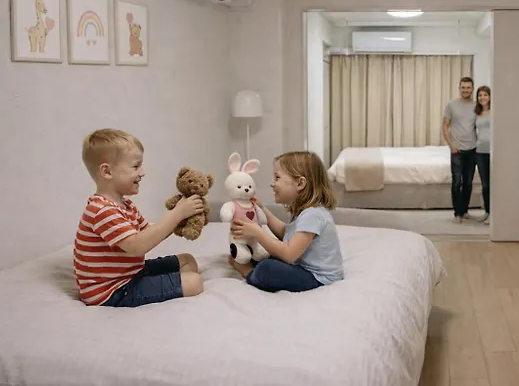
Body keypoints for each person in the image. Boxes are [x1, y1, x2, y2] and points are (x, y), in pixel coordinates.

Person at [74, 128, 205, 307]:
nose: (142, 172)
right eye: (135, 167)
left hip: (131, 272)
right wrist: (177, 213)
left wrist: (181, 220)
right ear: (107, 172)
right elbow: (138, 246)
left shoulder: (125, 205)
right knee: (194, 282)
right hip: (113, 290)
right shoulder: (101, 210)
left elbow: (149, 233)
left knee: (188, 260)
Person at [229, 150, 344, 293]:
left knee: (268, 268)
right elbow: (286, 233)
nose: (272, 184)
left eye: (277, 177)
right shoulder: (304, 211)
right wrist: (262, 209)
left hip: (319, 277)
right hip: (302, 266)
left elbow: (289, 254)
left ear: (300, 183)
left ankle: (248, 272)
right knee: (265, 253)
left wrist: (257, 232)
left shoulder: (313, 215)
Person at [443, 76, 478, 222]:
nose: (466, 90)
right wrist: (451, 145)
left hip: (472, 149)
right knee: (457, 181)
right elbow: (445, 125)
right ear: (459, 88)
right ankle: (457, 213)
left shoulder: (477, 106)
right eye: (463, 87)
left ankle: (464, 211)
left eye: (468, 88)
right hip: (456, 149)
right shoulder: (451, 105)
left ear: (472, 89)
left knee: (468, 183)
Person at [475, 86, 491, 224]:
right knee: (485, 184)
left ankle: (494, 213)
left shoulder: (495, 111)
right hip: (480, 151)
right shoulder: (477, 113)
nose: (482, 98)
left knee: (494, 184)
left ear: (490, 97)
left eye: (485, 95)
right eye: (480, 95)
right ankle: (487, 211)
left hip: (493, 151)